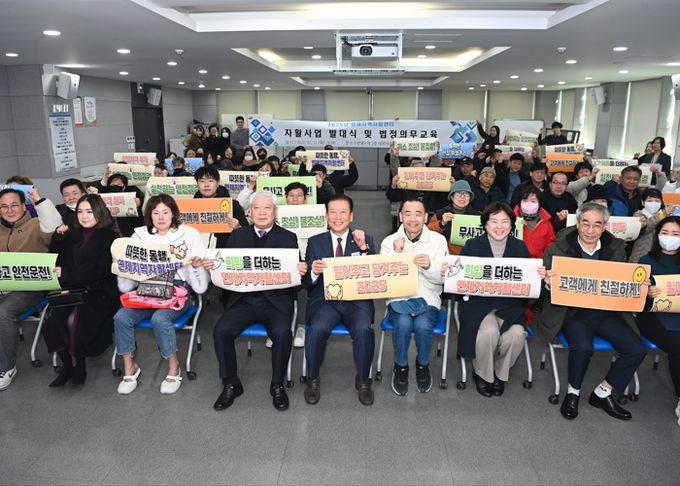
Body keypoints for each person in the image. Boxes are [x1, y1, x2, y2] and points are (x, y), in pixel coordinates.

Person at [536, 202, 646, 420]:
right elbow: (539, 290)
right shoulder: (557, 249)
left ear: (604, 227)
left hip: (606, 311)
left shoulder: (616, 249)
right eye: (585, 223)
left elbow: (624, 283)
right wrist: (547, 283)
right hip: (571, 311)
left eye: (597, 225)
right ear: (577, 224)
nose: (590, 230)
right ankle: (573, 392)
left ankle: (603, 393)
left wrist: (640, 286)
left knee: (636, 349)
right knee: (583, 347)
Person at [208, 191, 306, 411]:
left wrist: (300, 270)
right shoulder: (237, 236)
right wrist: (213, 267)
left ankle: (277, 384)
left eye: (267, 208)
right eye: (257, 208)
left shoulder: (288, 237)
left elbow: (296, 277)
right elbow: (225, 271)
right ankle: (231, 383)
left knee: (282, 333)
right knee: (221, 331)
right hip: (243, 300)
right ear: (249, 212)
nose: (262, 213)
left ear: (275, 212)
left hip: (275, 301)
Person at [114, 194, 209, 395]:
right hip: (146, 290)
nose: (161, 217)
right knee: (121, 317)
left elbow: (200, 283)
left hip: (177, 290)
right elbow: (128, 278)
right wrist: (121, 265)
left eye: (166, 212)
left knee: (160, 319)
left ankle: (174, 367)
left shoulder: (189, 234)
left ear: (173, 213)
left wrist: (196, 266)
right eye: (155, 212)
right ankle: (130, 367)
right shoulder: (138, 237)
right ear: (149, 215)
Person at [448, 202, 542, 398]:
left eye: (505, 221)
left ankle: (500, 373)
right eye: (494, 221)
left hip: (510, 305)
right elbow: (459, 277)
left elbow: (527, 283)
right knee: (489, 332)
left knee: (517, 335)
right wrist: (449, 271)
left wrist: (538, 277)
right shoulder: (473, 245)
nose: (499, 226)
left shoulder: (519, 247)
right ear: (485, 224)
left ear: (512, 225)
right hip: (479, 304)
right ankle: (482, 374)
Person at [303, 195, 376, 405]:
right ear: (326, 216)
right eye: (333, 212)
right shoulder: (315, 241)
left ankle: (363, 380)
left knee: (364, 330)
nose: (337, 217)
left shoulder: (364, 239)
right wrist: (313, 272)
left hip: (356, 302)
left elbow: (375, 274)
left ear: (351, 216)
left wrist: (364, 249)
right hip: (326, 302)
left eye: (343, 212)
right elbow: (307, 282)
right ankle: (312, 379)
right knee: (316, 330)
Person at [43, 194, 119, 387]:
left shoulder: (110, 237)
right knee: (54, 321)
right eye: (80, 212)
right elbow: (55, 260)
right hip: (72, 288)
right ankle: (67, 366)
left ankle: (80, 366)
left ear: (100, 212)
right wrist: (58, 238)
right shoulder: (71, 233)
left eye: (90, 212)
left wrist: (67, 273)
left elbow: (100, 269)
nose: (84, 216)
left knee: (76, 318)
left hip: (99, 291)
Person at [381, 198, 448, 396]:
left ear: (426, 217)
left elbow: (443, 278)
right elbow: (383, 278)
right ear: (400, 216)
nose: (412, 219)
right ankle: (401, 366)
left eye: (418, 214)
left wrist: (429, 266)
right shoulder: (389, 242)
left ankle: (422, 364)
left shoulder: (438, 241)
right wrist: (397, 254)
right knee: (402, 324)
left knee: (422, 325)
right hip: (399, 297)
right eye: (407, 213)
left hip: (428, 297)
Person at [0, 187, 62, 391]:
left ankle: (6, 368)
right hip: (3, 286)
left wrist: (39, 200)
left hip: (31, 288)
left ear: (24, 207)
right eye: (4, 207)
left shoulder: (36, 225)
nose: (9, 210)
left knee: (4, 312)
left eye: (14, 205)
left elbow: (53, 224)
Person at [637, 216, 680, 427]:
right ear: (657, 235)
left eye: (676, 234)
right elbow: (634, 296)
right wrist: (646, 293)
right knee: (678, 346)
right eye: (665, 233)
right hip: (652, 315)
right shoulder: (646, 261)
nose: (669, 238)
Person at [284, 182, 312, 349]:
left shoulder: (315, 216)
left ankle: (301, 326)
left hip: (308, 261)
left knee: (303, 282)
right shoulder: (276, 215)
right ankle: (281, 327)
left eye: (299, 196)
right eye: (291, 196)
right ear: (286, 198)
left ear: (305, 199)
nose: (295, 199)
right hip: (284, 262)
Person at [193, 166, 248, 248]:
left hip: (225, 252)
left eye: (211, 181)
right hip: (197, 252)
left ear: (218, 182)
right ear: (197, 183)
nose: (206, 185)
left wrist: (238, 227)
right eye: (202, 181)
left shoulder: (233, 206)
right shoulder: (191, 207)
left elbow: (248, 234)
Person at [428, 180, 480, 255]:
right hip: (445, 255)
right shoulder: (440, 214)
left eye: (466, 194)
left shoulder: (477, 216)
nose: (462, 197)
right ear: (452, 197)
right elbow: (429, 233)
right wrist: (442, 223)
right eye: (458, 193)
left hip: (470, 256)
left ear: (469, 198)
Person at [514, 185, 555, 258]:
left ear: (539, 204)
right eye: (525, 200)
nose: (529, 204)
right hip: (517, 261)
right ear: (519, 203)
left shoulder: (546, 222)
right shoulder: (511, 221)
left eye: (533, 201)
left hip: (539, 262)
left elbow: (551, 246)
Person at [630, 188, 666, 262]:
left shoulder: (665, 216)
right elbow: (643, 230)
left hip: (659, 257)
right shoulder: (638, 215)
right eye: (650, 201)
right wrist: (659, 217)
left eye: (657, 201)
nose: (653, 203)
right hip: (640, 255)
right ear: (643, 202)